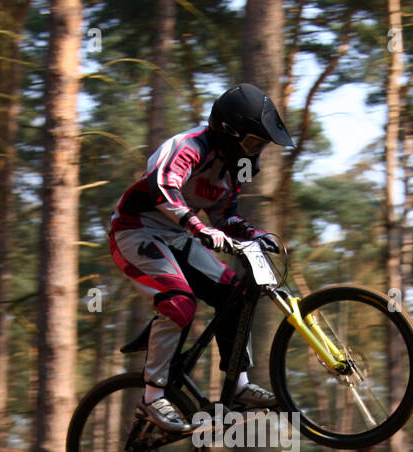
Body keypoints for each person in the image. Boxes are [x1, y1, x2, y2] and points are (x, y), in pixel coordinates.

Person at [109, 83, 293, 433]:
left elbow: (226, 218)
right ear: (229, 131)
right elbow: (163, 187)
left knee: (235, 296)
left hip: (178, 235)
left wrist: (257, 235)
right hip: (135, 230)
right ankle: (151, 398)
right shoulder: (189, 146)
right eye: (253, 143)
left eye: (261, 146)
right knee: (179, 302)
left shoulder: (231, 169)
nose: (256, 153)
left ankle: (238, 388)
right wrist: (198, 226)